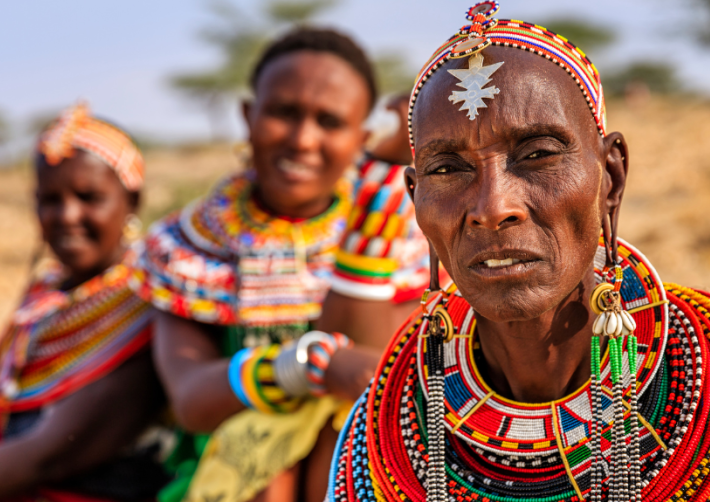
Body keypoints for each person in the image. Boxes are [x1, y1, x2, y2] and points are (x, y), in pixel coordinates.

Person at [327, 2, 710, 501]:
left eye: (538, 154)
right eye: (447, 169)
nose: (493, 207)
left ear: (610, 177)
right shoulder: (382, 426)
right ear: (415, 199)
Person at [130, 28, 431, 502]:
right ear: (248, 117)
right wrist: (307, 366)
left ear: (361, 138)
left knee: (348, 436)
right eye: (283, 113)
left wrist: (376, 204)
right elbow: (191, 400)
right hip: (226, 471)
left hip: (339, 462)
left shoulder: (404, 239)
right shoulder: (185, 247)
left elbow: (373, 369)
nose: (302, 139)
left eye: (329, 121)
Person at [0, 103, 168, 502]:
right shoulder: (43, 297)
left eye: (89, 197)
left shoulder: (147, 304)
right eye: (49, 199)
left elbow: (49, 455)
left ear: (132, 201)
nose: (67, 215)